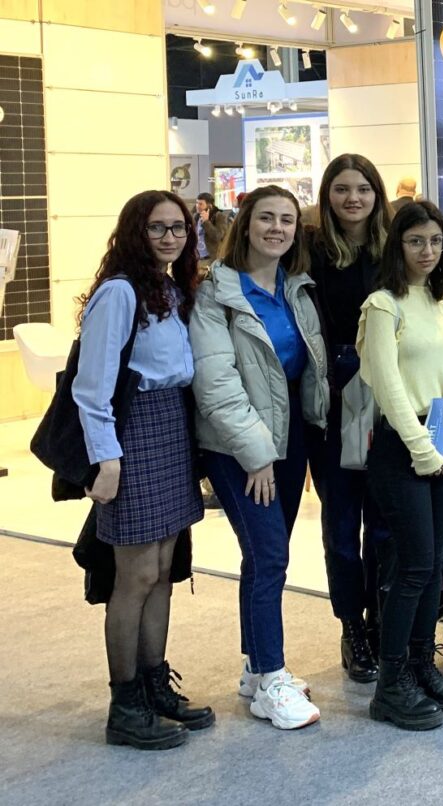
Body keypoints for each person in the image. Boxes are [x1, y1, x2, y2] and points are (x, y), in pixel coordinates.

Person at [189, 185, 328, 730]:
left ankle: (254, 669)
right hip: (238, 446)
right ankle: (272, 678)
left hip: (290, 438)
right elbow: (216, 383)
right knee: (270, 555)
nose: (277, 228)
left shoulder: (297, 288)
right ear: (245, 224)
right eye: (266, 218)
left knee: (265, 555)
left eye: (286, 220)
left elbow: (307, 370)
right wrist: (257, 455)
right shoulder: (217, 293)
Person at [76, 190, 210, 750]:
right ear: (136, 231)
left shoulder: (172, 289)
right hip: (131, 435)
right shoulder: (119, 293)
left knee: (163, 570)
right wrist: (106, 458)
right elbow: (91, 387)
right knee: (133, 577)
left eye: (178, 227)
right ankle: (125, 704)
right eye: (158, 228)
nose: (170, 237)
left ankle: (155, 684)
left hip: (172, 430)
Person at [358, 200, 443, 730]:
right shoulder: (383, 306)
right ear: (397, 245)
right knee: (413, 567)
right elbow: (387, 387)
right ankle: (390, 684)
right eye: (415, 241)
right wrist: (424, 452)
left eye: (435, 241)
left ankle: (421, 664)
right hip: (402, 448)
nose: (427, 251)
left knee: (434, 565)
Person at [305, 154, 392, 685]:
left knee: (384, 521)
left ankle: (381, 619)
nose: (353, 198)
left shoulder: (393, 248)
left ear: (377, 194)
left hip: (388, 395)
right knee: (341, 523)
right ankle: (351, 626)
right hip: (333, 397)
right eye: (341, 189)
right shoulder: (310, 251)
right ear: (327, 195)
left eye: (362, 188)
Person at [194, 192, 229, 269]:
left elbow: (218, 236)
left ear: (209, 206)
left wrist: (206, 222)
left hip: (210, 259)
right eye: (197, 203)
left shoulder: (219, 216)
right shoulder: (196, 216)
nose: (197, 206)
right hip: (196, 258)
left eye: (201, 204)